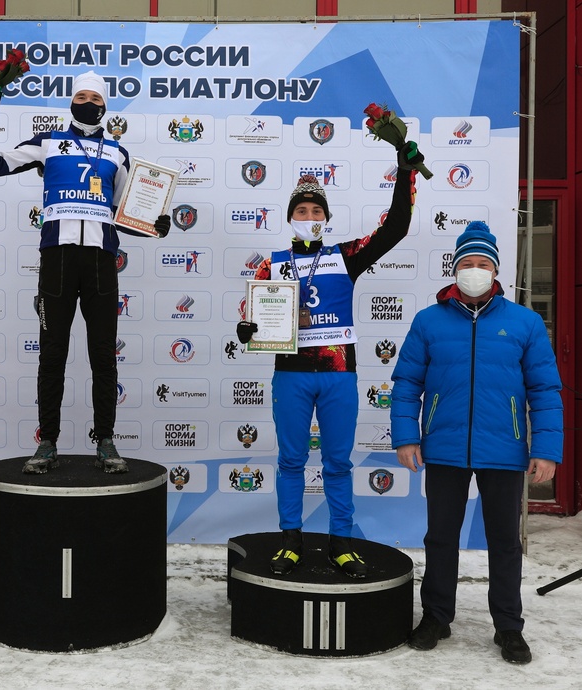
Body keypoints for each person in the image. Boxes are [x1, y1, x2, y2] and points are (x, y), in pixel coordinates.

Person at [236, 142, 424, 578]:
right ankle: (290, 541)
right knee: (291, 461)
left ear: (326, 218)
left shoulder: (345, 256)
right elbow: (252, 314)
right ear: (290, 218)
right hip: (291, 375)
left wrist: (404, 173)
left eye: (316, 211)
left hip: (339, 374)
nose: (309, 217)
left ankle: (341, 541)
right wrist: (246, 328)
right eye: (301, 211)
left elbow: (395, 228)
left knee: (337, 462)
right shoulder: (271, 265)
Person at [0, 70, 170, 475]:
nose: (87, 103)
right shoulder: (48, 142)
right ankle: (47, 442)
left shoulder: (117, 153)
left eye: (94, 98)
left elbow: (126, 214)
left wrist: (155, 225)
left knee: (103, 357)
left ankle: (106, 442)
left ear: (105, 105)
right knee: (52, 355)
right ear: (71, 102)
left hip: (100, 264)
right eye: (81, 96)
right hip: (57, 263)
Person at [390, 220, 562, 664]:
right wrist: (407, 437)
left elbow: (544, 390)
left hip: (504, 449)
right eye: (467, 262)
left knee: (504, 542)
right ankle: (436, 617)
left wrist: (545, 449)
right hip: (444, 448)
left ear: (496, 271)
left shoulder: (524, 322)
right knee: (440, 538)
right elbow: (407, 383)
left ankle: (508, 626)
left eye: (483, 263)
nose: (475, 270)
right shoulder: (428, 321)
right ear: (455, 269)